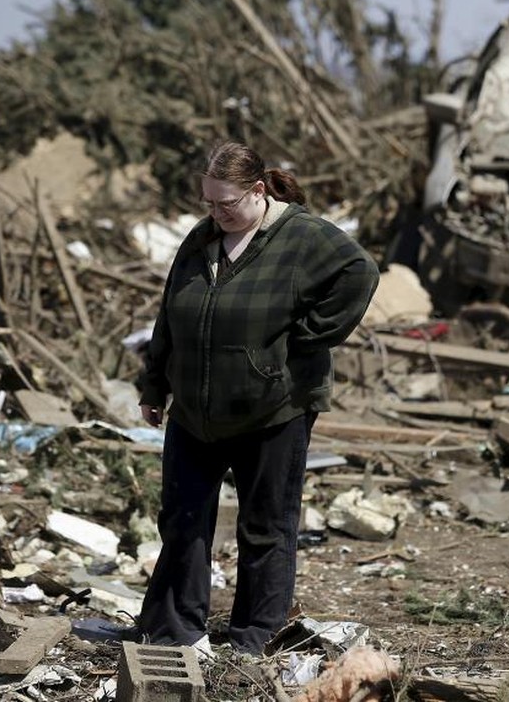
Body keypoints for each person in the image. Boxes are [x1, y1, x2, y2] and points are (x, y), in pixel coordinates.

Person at [135, 140, 380, 654]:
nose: (217, 212)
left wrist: (302, 338)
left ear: (258, 191)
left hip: (274, 407)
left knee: (266, 526)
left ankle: (256, 636)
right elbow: (170, 314)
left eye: (227, 203)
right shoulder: (201, 240)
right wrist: (154, 384)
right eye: (209, 202)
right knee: (182, 518)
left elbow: (360, 273)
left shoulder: (303, 236)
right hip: (197, 412)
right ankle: (177, 630)